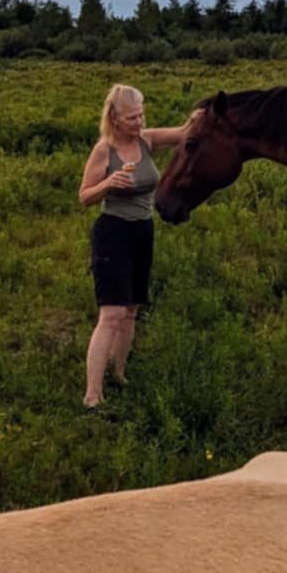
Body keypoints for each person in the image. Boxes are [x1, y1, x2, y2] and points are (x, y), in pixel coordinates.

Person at [77, 83, 183, 409]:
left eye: (141, 115)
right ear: (115, 118)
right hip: (113, 232)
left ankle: (119, 374)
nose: (139, 122)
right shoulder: (103, 151)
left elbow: (186, 133)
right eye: (132, 118)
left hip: (143, 232)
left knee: (132, 311)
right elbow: (84, 196)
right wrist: (108, 183)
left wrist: (213, 109)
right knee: (111, 313)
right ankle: (92, 395)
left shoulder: (147, 141)